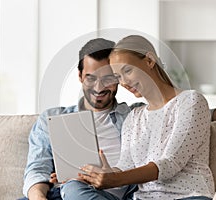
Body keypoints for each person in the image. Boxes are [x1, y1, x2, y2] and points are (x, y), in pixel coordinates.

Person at [60, 35, 215, 199]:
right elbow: (125, 166)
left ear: (149, 60)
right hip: (141, 198)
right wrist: (105, 173)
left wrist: (114, 179)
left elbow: (170, 164)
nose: (124, 82)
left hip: (186, 196)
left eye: (127, 70)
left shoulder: (189, 101)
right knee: (72, 188)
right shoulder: (134, 117)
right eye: (118, 77)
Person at [20, 38, 139, 200]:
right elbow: (37, 169)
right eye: (91, 78)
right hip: (63, 194)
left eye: (108, 79)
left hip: (110, 195)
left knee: (74, 188)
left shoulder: (136, 115)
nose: (99, 88)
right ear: (80, 76)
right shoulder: (52, 118)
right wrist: (39, 198)